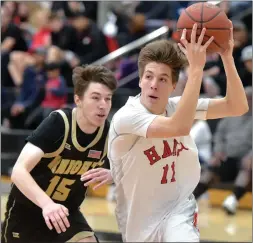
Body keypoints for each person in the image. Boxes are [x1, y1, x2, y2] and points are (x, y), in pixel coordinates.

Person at [83, 23, 249, 242]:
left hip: (179, 209)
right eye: (149, 77)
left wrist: (227, 57)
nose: (153, 84)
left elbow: (237, 106)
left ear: (173, 85)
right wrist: (197, 70)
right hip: (139, 221)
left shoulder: (178, 107)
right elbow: (178, 127)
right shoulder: (127, 117)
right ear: (140, 80)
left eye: (162, 79)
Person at [1, 64, 117, 243]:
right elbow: (18, 171)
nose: (103, 105)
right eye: (96, 98)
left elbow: (133, 167)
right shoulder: (59, 123)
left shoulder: (110, 132)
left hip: (65, 215)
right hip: (27, 214)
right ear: (78, 99)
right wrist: (47, 205)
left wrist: (114, 174)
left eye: (108, 99)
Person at [194, 86, 252, 215]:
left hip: (245, 160)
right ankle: (191, 201)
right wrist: (218, 151)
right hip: (227, 157)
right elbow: (219, 135)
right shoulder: (231, 117)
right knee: (212, 167)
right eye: (245, 98)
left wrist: (250, 156)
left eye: (249, 99)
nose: (247, 101)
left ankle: (232, 200)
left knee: (247, 167)